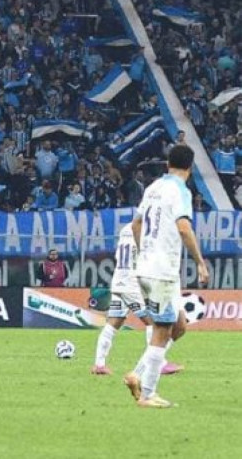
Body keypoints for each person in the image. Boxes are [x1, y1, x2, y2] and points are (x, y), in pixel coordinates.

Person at [124, 145, 209, 408]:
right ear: (191, 167)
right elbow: (184, 228)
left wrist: (144, 250)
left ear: (167, 164)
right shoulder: (180, 191)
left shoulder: (153, 188)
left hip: (151, 267)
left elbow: (137, 224)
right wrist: (200, 263)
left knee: (179, 325)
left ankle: (136, 374)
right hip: (161, 270)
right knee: (162, 329)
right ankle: (148, 393)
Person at [92, 224, 184, 376]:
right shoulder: (146, 230)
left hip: (119, 280)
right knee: (154, 324)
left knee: (114, 323)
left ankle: (99, 365)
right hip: (132, 283)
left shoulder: (126, 229)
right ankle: (158, 364)